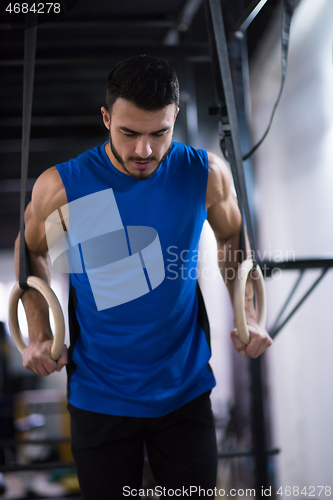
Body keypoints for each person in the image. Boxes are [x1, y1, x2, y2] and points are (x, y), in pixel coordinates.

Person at [15, 55, 272, 499]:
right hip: (99, 394)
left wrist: (246, 313)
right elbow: (32, 249)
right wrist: (40, 333)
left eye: (160, 133)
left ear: (175, 116)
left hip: (184, 389)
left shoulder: (203, 173)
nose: (144, 151)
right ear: (106, 117)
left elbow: (231, 237)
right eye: (129, 133)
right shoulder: (65, 187)